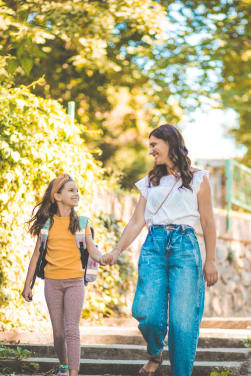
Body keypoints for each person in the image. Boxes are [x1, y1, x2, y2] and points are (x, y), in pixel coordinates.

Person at [102, 124, 218, 376]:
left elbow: (208, 222)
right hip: (153, 247)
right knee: (148, 313)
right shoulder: (150, 181)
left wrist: (211, 260)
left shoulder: (199, 178)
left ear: (170, 143)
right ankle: (156, 351)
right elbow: (136, 221)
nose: (151, 150)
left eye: (154, 144)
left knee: (182, 322)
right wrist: (117, 250)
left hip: (186, 247)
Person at [22, 173, 104, 376]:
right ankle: (65, 365)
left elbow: (92, 249)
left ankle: (73, 373)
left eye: (77, 190)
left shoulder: (83, 222)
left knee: (71, 329)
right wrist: (27, 285)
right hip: (52, 283)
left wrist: (104, 257)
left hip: (75, 282)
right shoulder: (47, 225)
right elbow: (36, 256)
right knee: (58, 333)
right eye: (70, 190)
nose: (76, 193)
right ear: (57, 196)